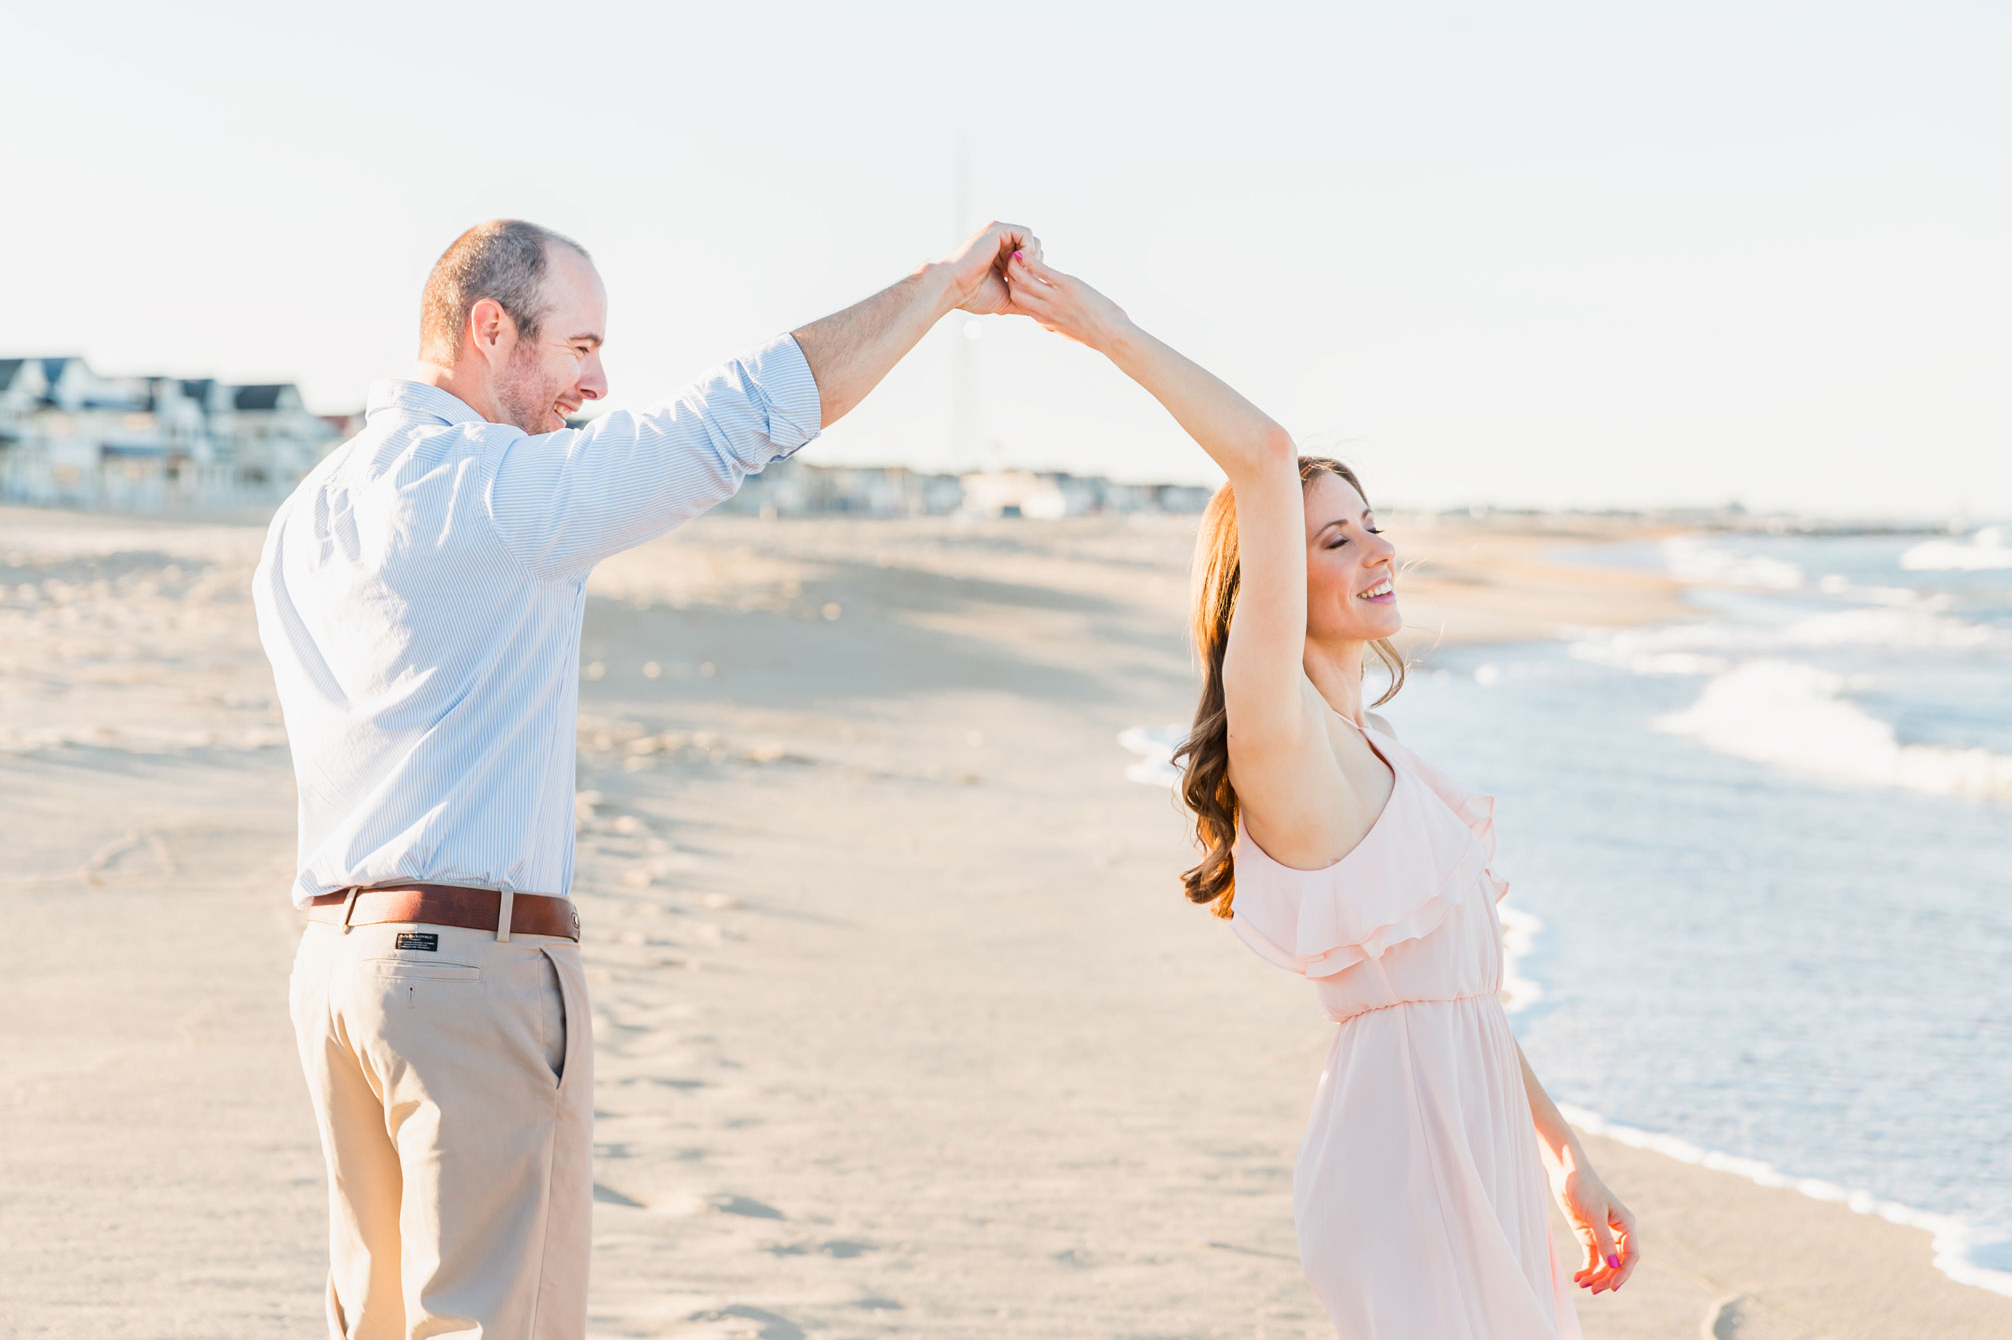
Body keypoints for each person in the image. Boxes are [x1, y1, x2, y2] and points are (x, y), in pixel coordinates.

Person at [253, 217, 1041, 1338]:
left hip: (339, 976)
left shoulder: (306, 516)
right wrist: (932, 292)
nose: (598, 379)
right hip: (469, 977)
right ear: (490, 329)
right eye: (577, 346)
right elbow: (734, 421)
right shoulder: (487, 488)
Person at [1006, 250, 1639, 1338]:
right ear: (1268, 586)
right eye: (1331, 539)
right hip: (1403, 1158)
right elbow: (1259, 453)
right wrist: (1101, 325)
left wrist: (1564, 1158)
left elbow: (1461, 997)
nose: (1375, 549)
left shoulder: (1381, 748)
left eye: (1369, 522)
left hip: (1476, 1136)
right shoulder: (1279, 736)